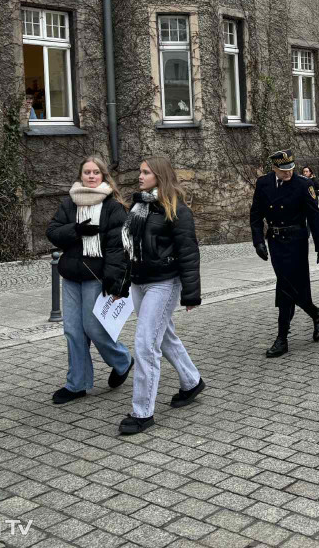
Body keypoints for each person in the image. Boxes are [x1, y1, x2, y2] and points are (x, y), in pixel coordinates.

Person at [118, 157, 204, 435]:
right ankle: (191, 381)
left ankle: (142, 412)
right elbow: (128, 246)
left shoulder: (177, 209)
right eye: (140, 171)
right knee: (163, 336)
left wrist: (191, 294)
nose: (139, 176)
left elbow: (189, 252)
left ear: (160, 176)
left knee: (145, 344)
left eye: (145, 172)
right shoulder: (139, 205)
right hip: (139, 281)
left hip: (163, 283)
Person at [46, 157, 132, 405]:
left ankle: (122, 360)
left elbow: (119, 248)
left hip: (97, 277)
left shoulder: (113, 207)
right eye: (87, 172)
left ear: (103, 176)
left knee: (94, 328)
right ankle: (77, 384)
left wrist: (115, 281)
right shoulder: (69, 202)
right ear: (81, 175)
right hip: (72, 275)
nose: (91, 176)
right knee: (72, 330)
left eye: (96, 172)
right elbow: (52, 232)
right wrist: (76, 230)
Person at [250, 149, 319, 358]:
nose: (288, 174)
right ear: (274, 168)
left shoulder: (303, 185)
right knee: (287, 286)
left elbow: (315, 218)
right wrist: (258, 241)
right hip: (276, 241)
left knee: (286, 287)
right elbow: (256, 215)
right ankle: (317, 314)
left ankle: (282, 339)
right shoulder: (264, 183)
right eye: (283, 170)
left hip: (296, 241)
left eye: (290, 169)